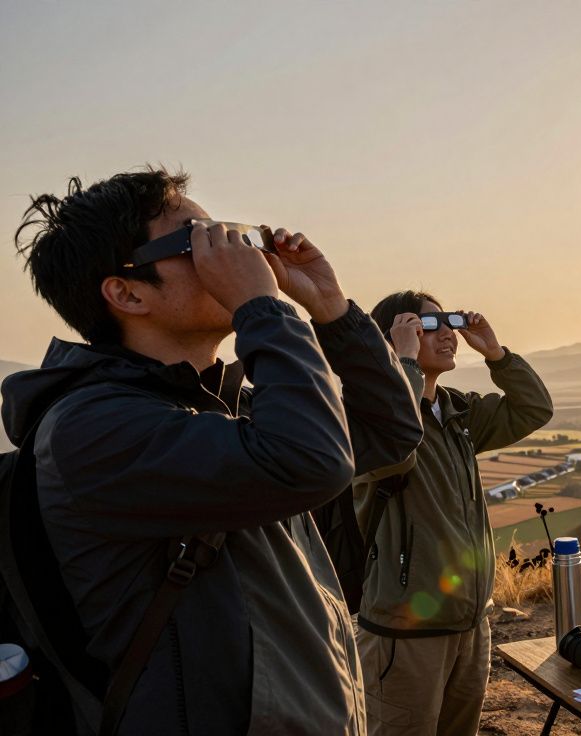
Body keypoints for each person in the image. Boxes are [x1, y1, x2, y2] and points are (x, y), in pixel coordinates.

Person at [3, 168, 424, 734]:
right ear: (126, 292)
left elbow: (392, 429)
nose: (234, 249)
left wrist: (332, 311)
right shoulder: (92, 431)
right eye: (199, 238)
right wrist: (261, 305)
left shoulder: (221, 408)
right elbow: (312, 461)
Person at [354, 291, 553, 736]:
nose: (447, 334)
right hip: (404, 635)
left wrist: (497, 355)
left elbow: (534, 408)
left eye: (450, 322)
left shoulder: (458, 412)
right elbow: (396, 444)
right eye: (427, 325)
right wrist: (399, 365)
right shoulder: (371, 418)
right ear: (397, 338)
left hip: (470, 623)